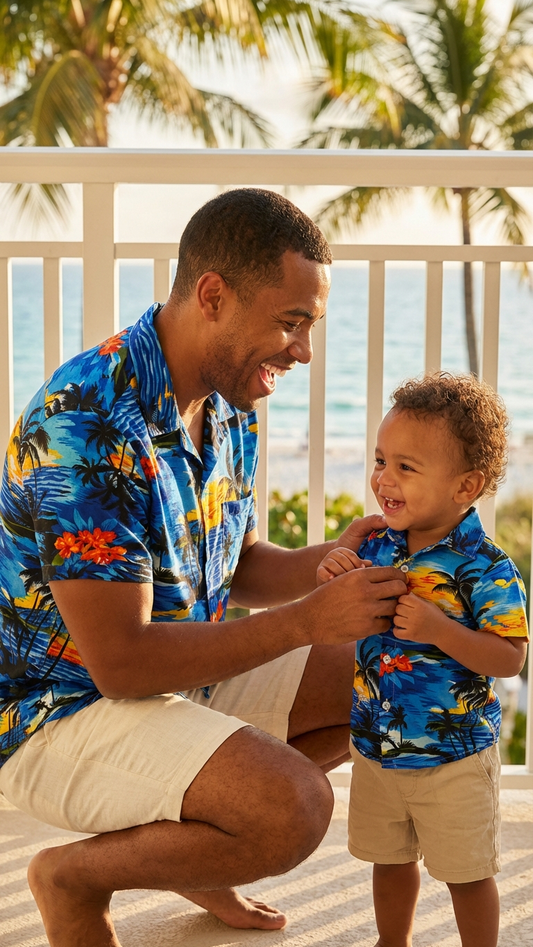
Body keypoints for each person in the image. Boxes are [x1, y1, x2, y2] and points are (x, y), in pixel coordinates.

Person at [0, 187, 407, 947]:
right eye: (290, 323)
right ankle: (73, 877)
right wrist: (302, 622)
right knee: (290, 807)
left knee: (387, 672)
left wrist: (331, 563)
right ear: (213, 296)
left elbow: (237, 561)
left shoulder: (225, 401)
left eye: (308, 326)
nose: (302, 351)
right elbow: (119, 664)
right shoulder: (86, 420)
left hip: (174, 677)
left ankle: (186, 846)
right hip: (54, 712)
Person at [317, 372, 529, 947]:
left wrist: (439, 629)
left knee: (466, 872)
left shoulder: (486, 568)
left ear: (467, 485)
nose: (383, 479)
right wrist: (334, 569)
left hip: (453, 755)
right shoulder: (377, 543)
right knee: (389, 860)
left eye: (405, 468)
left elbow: (510, 658)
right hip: (379, 744)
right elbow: (341, 600)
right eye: (381, 460)